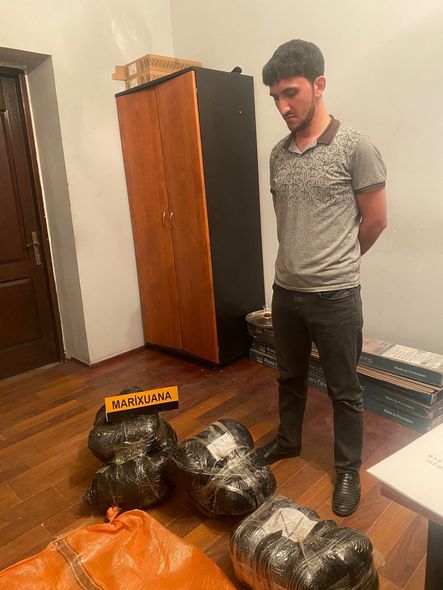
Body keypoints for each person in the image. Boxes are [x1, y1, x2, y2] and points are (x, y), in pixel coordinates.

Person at [254, 39, 387, 517]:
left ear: (319, 84)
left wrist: (339, 262)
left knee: (344, 390)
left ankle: (347, 468)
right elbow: (285, 218)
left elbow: (375, 220)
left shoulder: (356, 147)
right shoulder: (278, 155)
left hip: (335, 297)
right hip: (286, 293)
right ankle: (288, 440)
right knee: (289, 376)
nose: (282, 106)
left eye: (290, 93)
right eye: (275, 97)